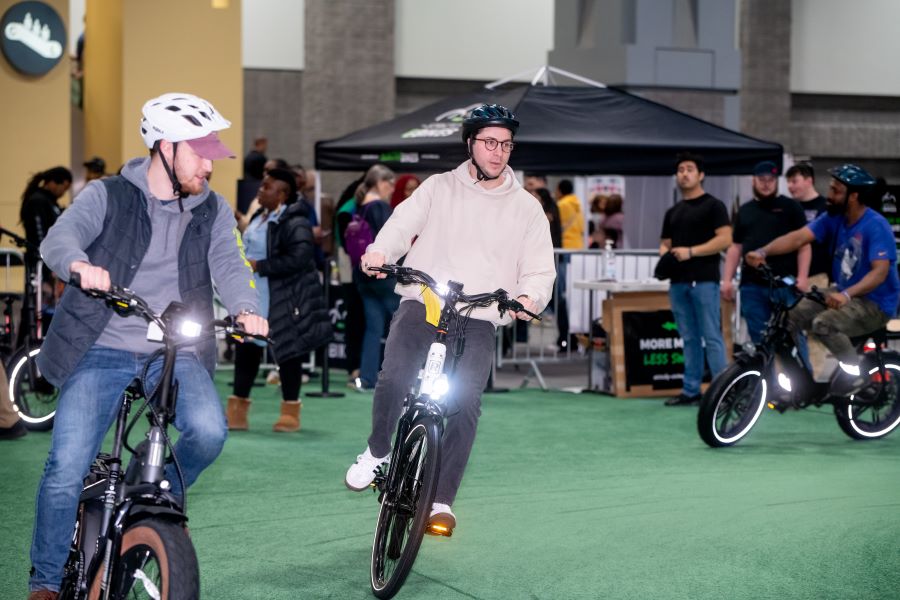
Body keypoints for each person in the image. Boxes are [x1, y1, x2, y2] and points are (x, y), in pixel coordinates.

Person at [27, 92, 268, 600]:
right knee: (66, 467)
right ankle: (46, 582)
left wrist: (247, 307)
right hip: (102, 344)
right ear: (165, 147)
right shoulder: (107, 195)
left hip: (172, 352)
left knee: (208, 432)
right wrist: (79, 266)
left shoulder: (212, 209)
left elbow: (231, 264)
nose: (209, 164)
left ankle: (152, 510)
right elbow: (59, 240)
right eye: (199, 152)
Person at [344, 104, 555, 534]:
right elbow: (402, 223)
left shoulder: (527, 208)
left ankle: (441, 499)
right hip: (426, 300)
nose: (499, 152)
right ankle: (378, 450)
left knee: (466, 402)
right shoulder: (439, 187)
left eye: (506, 144)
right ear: (470, 144)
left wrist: (529, 297)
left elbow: (539, 268)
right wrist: (381, 252)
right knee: (394, 375)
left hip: (480, 315)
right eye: (490, 142)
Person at [745, 164, 900, 395]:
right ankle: (801, 382)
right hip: (844, 292)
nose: (829, 196)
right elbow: (798, 238)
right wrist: (763, 252)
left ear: (853, 196)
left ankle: (854, 375)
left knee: (823, 324)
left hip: (875, 303)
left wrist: (846, 295)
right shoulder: (833, 218)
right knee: (786, 318)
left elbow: (880, 272)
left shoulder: (875, 225)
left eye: (836, 191)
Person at [227, 168, 331, 432]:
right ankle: (237, 410)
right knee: (247, 349)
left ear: (282, 193)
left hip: (285, 296)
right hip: (255, 294)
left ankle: (290, 411)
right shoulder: (261, 217)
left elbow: (300, 258)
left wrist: (259, 265)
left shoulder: (296, 221)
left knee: (288, 353)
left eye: (266, 187)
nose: (260, 190)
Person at [660, 152, 732, 406]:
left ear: (701, 175)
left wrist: (691, 252)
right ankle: (690, 390)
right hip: (678, 283)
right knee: (688, 337)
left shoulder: (714, 206)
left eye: (690, 169)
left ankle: (723, 391)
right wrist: (666, 257)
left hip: (704, 281)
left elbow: (725, 239)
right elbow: (665, 243)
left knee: (711, 336)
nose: (685, 173)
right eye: (681, 169)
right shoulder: (673, 211)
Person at [722, 161, 810, 343]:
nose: (766, 183)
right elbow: (735, 247)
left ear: (777, 181)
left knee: (794, 337)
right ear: (753, 181)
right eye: (761, 179)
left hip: (785, 284)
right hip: (752, 286)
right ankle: (766, 372)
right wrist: (727, 280)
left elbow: (804, 245)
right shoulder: (745, 211)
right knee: (760, 341)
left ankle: (803, 373)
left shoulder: (791, 207)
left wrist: (802, 277)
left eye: (770, 179)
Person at [351, 164, 399, 390]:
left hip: (363, 277)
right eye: (391, 184)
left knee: (373, 329)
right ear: (382, 183)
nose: (392, 189)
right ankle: (405, 376)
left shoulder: (359, 207)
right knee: (404, 325)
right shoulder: (379, 207)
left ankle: (368, 377)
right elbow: (393, 240)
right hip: (384, 276)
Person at [19, 166, 72, 274]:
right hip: (40, 263)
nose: (63, 193)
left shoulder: (51, 202)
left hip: (51, 259)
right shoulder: (37, 201)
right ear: (53, 182)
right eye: (64, 187)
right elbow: (39, 236)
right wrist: (48, 267)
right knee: (41, 290)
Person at [786, 162, 830, 283]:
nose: (790, 186)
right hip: (791, 276)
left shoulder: (826, 207)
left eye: (794, 181)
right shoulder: (789, 208)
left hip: (817, 275)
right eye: (788, 182)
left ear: (809, 181)